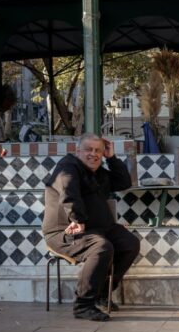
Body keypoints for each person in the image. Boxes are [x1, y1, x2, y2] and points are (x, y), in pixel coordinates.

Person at [43, 134, 141, 321]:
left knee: (129, 243)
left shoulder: (98, 172)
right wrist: (78, 220)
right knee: (102, 247)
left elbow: (123, 183)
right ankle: (83, 304)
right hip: (65, 231)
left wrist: (111, 158)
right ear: (77, 151)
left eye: (98, 151)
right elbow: (69, 192)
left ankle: (102, 293)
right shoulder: (68, 168)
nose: (93, 154)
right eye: (88, 149)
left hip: (97, 229)